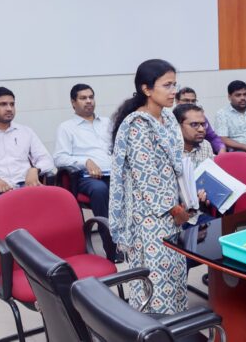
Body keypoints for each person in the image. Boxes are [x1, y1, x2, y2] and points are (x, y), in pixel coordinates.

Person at [109, 59, 190, 314]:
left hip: (173, 210)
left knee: (175, 273)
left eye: (175, 84)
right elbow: (148, 180)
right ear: (146, 89)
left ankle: (176, 325)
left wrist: (187, 199)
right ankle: (154, 328)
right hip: (149, 217)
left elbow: (177, 165)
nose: (173, 91)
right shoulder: (138, 125)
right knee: (156, 280)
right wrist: (176, 210)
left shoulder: (168, 118)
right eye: (167, 85)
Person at [53, 84, 112, 219]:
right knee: (99, 189)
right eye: (83, 98)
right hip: (87, 177)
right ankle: (107, 231)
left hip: (114, 173)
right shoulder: (66, 128)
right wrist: (85, 162)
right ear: (73, 103)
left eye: (91, 97)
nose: (89, 101)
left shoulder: (107, 122)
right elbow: (59, 158)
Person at [175, 86, 226, 154]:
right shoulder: (170, 119)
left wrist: (221, 148)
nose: (190, 104)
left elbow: (212, 137)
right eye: (186, 100)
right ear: (177, 101)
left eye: (193, 101)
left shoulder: (200, 118)